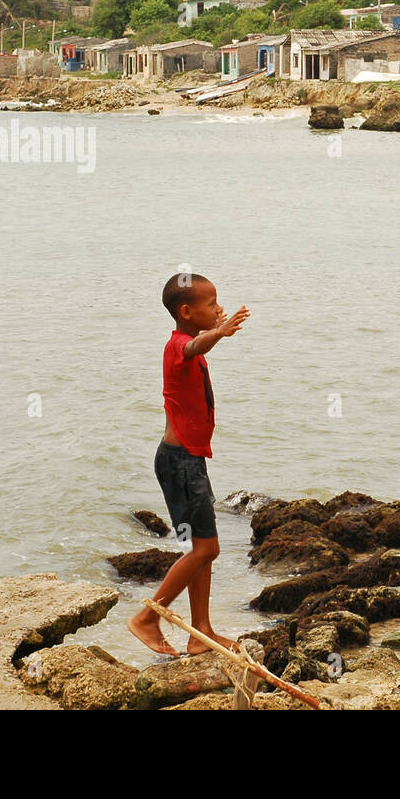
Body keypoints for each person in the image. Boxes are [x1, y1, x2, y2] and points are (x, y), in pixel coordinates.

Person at [128, 274, 250, 655]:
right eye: (211, 304)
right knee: (205, 550)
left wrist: (215, 328)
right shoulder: (177, 346)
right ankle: (148, 617)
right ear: (186, 312)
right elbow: (196, 345)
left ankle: (201, 632)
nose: (217, 309)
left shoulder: (187, 343)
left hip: (187, 462)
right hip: (179, 464)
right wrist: (219, 332)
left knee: (201, 547)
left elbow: (199, 344)